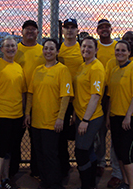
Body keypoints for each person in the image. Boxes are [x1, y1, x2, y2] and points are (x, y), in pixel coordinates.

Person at [24, 39, 74, 189]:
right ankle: (44, 181)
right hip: (37, 120)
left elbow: (65, 96)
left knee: (50, 154)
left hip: (52, 120)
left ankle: (54, 183)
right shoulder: (38, 70)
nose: (48, 51)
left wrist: (60, 118)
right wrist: (27, 113)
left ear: (57, 52)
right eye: (46, 48)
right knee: (39, 153)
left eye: (52, 49)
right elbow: (31, 94)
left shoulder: (62, 70)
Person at [104, 31, 133, 188]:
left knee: (128, 154)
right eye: (118, 50)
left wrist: (128, 116)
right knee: (120, 153)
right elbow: (110, 95)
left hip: (131, 117)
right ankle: (125, 182)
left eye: (123, 50)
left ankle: (132, 186)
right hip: (116, 116)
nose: (120, 53)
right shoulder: (115, 70)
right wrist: (109, 116)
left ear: (129, 52)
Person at [0, 36, 26, 189]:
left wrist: (23, 113)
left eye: (13, 46)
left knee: (9, 149)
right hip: (2, 115)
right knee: (0, 149)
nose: (10, 48)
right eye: (7, 46)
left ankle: (5, 178)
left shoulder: (18, 67)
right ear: (2, 49)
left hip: (16, 115)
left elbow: (22, 92)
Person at [12, 20, 45, 178]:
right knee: (15, 138)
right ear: (22, 31)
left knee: (36, 138)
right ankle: (11, 170)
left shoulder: (42, 50)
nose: (30, 32)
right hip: (18, 98)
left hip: (38, 99)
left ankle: (37, 170)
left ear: (38, 32)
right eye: (27, 29)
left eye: (34, 29)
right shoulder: (15, 49)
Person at [73, 36, 105, 189]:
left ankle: (87, 184)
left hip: (91, 116)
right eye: (83, 46)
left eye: (90, 47)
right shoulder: (83, 65)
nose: (86, 49)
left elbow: (95, 96)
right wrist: (75, 113)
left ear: (96, 50)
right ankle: (90, 183)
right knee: (88, 149)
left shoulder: (96, 68)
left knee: (81, 151)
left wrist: (85, 120)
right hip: (80, 115)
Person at [58, 18, 84, 177]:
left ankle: (85, 168)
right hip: (63, 98)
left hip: (80, 99)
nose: (69, 30)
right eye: (66, 27)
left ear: (77, 31)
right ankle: (64, 165)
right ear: (62, 30)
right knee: (60, 136)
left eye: (72, 27)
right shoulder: (58, 48)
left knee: (81, 136)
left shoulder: (81, 48)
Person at [94, 19, 116, 181]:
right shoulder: (95, 46)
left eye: (106, 27)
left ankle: (117, 165)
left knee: (115, 131)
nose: (104, 29)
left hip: (114, 93)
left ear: (111, 29)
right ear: (97, 31)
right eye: (101, 27)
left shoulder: (117, 46)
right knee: (99, 132)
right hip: (98, 94)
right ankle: (100, 162)